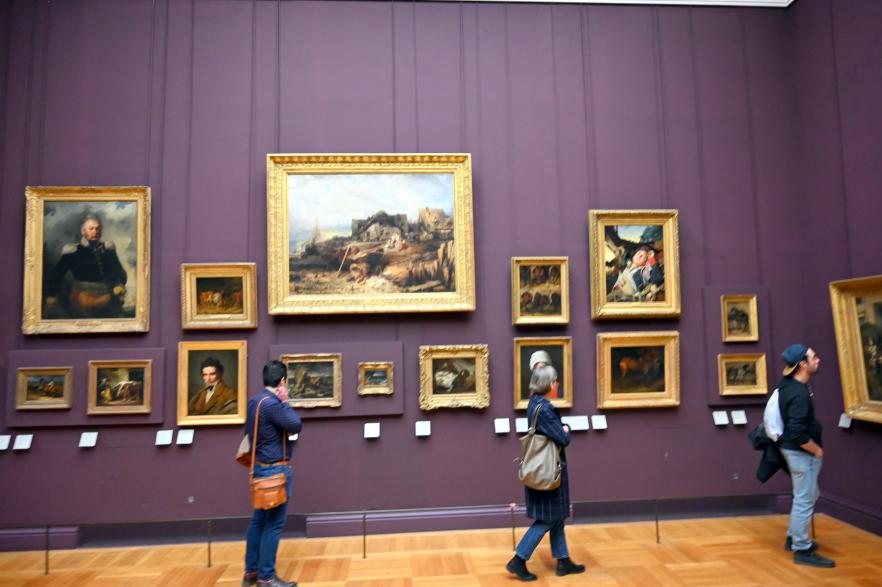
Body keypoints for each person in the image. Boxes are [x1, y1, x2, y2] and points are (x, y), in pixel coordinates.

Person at [506, 364, 585, 581]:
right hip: (549, 472)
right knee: (548, 519)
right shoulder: (546, 409)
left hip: (541, 469)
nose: (556, 384)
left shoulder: (534, 403)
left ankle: (563, 561)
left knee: (556, 517)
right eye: (555, 381)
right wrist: (566, 429)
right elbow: (563, 438)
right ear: (549, 384)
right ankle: (518, 560)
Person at [243, 360, 303, 587]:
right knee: (274, 524)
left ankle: (251, 572)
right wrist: (285, 401)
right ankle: (266, 577)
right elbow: (295, 425)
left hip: (259, 468)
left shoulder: (255, 401)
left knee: (258, 521)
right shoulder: (273, 404)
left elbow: (249, 432)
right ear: (283, 381)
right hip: (276, 471)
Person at [777, 344, 836, 568]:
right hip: (801, 453)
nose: (818, 360)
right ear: (802, 364)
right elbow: (797, 433)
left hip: (794, 451)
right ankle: (801, 548)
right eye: (813, 357)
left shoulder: (788, 384)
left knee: (805, 496)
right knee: (805, 499)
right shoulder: (799, 394)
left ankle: (793, 537)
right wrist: (816, 450)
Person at [44, 213, 128, 318]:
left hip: (107, 296)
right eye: (91, 228)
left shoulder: (108, 249)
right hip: (82, 298)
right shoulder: (73, 251)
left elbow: (119, 271)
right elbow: (57, 274)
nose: (95, 231)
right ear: (83, 231)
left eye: (97, 228)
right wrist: (51, 295)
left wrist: (119, 284)